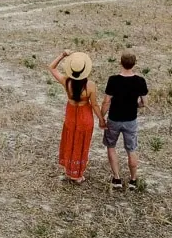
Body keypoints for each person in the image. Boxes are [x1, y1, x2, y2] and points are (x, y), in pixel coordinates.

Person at [49, 50, 105, 183]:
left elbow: (52, 68)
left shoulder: (66, 81)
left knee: (70, 139)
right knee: (81, 142)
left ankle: (69, 170)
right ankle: (77, 174)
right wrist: (101, 120)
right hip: (84, 116)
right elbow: (95, 105)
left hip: (71, 114)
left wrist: (62, 55)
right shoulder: (90, 86)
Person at [102, 51, 148, 191]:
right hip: (130, 120)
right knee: (131, 149)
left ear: (120, 62)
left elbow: (106, 101)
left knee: (111, 146)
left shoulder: (113, 80)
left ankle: (117, 178)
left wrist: (101, 116)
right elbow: (144, 102)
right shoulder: (140, 81)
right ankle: (133, 179)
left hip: (114, 118)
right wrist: (135, 105)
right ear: (134, 64)